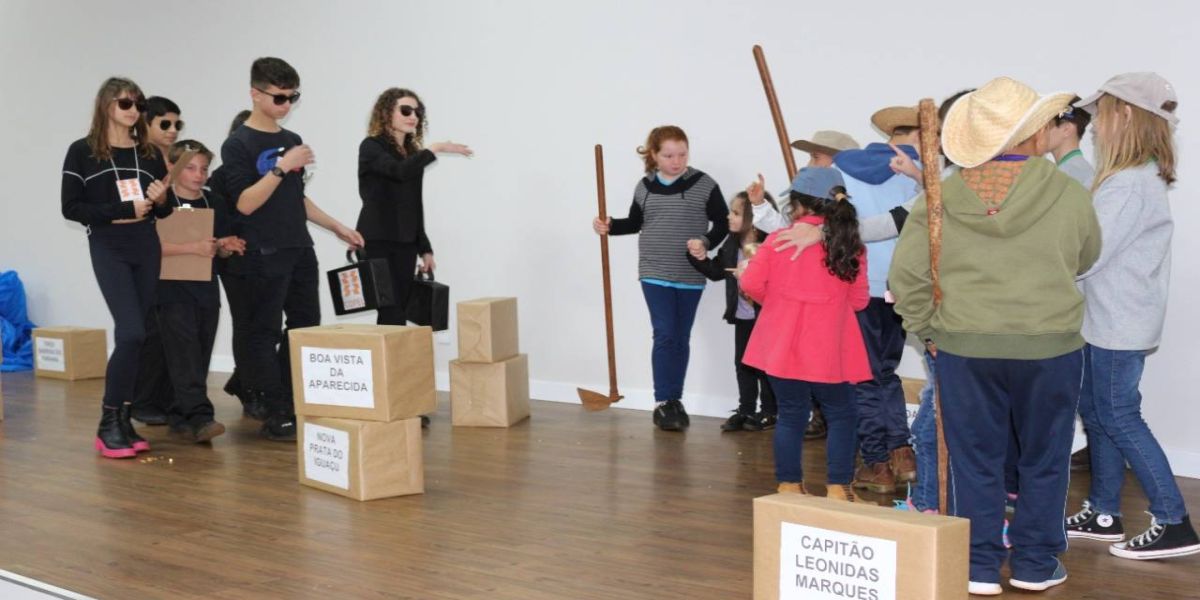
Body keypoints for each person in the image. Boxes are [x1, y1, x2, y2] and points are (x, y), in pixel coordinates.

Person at [890, 76, 1101, 595]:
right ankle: (1034, 564)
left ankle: (978, 566)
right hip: (1049, 346)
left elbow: (907, 277)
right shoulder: (1068, 191)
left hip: (965, 347)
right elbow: (1086, 256)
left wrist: (928, 329)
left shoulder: (940, 197)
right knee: (1044, 460)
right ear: (1034, 132)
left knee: (974, 462)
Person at [1063, 72, 1200, 560]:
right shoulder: (1135, 177)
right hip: (1108, 321)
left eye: (1101, 115)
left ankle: (1174, 522)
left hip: (1117, 326)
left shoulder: (1127, 184)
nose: (1095, 127)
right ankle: (1103, 512)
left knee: (1118, 416)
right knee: (1099, 414)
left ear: (1124, 114)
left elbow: (1088, 256)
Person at [221, 57, 364, 441]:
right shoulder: (237, 144)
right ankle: (275, 408)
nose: (286, 105)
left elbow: (297, 199)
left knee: (304, 327)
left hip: (299, 247)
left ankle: (287, 396)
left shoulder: (292, 139)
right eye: (279, 97)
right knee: (263, 330)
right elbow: (245, 203)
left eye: (292, 97)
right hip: (263, 252)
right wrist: (282, 167)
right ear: (255, 94)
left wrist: (337, 226)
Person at [738, 167, 869, 501]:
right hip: (830, 348)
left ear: (797, 205)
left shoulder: (777, 241)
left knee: (791, 414)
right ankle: (839, 488)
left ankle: (789, 486)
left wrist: (778, 304)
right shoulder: (851, 246)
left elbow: (750, 282)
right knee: (842, 415)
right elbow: (859, 301)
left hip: (782, 346)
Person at [61, 77, 173, 458]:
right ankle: (108, 419)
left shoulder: (149, 153)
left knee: (139, 335)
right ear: (106, 105)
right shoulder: (82, 152)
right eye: (126, 103)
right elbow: (71, 207)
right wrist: (124, 209)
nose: (134, 111)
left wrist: (161, 200)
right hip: (109, 245)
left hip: (146, 244)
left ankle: (123, 418)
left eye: (139, 105)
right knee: (131, 332)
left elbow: (166, 209)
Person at [593, 125, 729, 431]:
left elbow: (722, 223)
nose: (676, 161)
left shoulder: (704, 184)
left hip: (690, 273)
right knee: (665, 333)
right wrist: (609, 226)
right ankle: (663, 400)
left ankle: (674, 400)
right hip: (654, 271)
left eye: (682, 154)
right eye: (669, 155)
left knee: (680, 337)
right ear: (654, 155)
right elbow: (636, 223)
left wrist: (705, 242)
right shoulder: (644, 187)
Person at [834, 105, 924, 494]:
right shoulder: (922, 175)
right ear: (917, 135)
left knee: (863, 377)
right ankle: (901, 454)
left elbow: (839, 224)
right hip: (901, 285)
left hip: (859, 284)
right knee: (885, 372)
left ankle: (877, 463)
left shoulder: (843, 168)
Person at [356, 87, 471, 327]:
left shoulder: (411, 153)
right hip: (378, 240)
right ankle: (387, 354)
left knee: (400, 310)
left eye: (418, 112)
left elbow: (414, 204)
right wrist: (434, 148)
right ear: (386, 112)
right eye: (406, 110)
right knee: (390, 310)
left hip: (406, 241)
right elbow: (399, 171)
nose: (414, 117)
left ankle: (396, 353)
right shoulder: (371, 146)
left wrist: (424, 248)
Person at [157, 140, 245, 442]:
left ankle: (179, 413)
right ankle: (200, 417)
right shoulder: (160, 202)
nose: (199, 175)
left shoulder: (213, 201)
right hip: (170, 287)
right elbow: (149, 247)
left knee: (201, 350)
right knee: (184, 352)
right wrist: (192, 247)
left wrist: (226, 246)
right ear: (173, 167)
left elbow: (218, 247)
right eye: (191, 168)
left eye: (204, 169)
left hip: (205, 285)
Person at [686, 191, 777, 432]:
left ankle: (770, 411)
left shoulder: (771, 244)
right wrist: (695, 255)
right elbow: (717, 271)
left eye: (735, 213)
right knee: (743, 364)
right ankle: (745, 409)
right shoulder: (732, 243)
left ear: (752, 218)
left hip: (766, 318)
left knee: (765, 366)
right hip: (743, 316)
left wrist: (752, 274)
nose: (729, 217)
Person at [130, 95, 185, 426]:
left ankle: (165, 397)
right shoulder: (135, 160)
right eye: (165, 123)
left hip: (173, 254)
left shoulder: (173, 161)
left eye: (178, 124)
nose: (172, 130)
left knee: (171, 329)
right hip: (143, 252)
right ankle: (141, 400)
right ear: (145, 123)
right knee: (149, 329)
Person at [210, 110, 264, 419]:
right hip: (236, 259)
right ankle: (250, 387)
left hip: (268, 257)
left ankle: (246, 381)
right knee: (247, 324)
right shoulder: (220, 178)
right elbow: (221, 221)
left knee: (264, 326)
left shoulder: (269, 176)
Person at [1045, 98, 1095, 188]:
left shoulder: (1064, 176)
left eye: (1047, 126)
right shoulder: (1083, 172)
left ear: (1066, 129)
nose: (1040, 132)